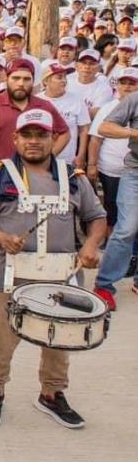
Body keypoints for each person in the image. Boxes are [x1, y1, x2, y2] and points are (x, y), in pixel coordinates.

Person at [0, 109, 106, 428]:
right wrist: (1, 237)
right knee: (1, 341)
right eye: (27, 135)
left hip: (63, 276)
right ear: (15, 138)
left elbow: (96, 217)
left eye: (41, 135)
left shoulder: (73, 177)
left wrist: (89, 246)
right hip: (12, 276)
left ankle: (52, 394)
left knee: (59, 341)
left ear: (53, 139)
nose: (33, 142)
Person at [0, 59, 70, 301]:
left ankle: (32, 277)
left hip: (31, 179)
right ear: (7, 78)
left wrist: (48, 158)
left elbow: (64, 133)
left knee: (27, 228)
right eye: (16, 78)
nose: (21, 83)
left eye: (26, 79)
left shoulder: (43, 106)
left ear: (33, 81)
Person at [92, 66, 138, 310]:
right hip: (135, 172)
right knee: (126, 228)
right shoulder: (134, 99)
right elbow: (105, 128)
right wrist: (134, 132)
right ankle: (104, 285)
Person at [37, 62, 89, 168]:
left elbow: (84, 129)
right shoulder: (36, 100)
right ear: (46, 81)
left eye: (65, 77)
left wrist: (81, 155)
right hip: (41, 159)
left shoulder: (76, 100)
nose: (64, 81)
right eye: (59, 77)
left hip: (68, 160)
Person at [66, 49, 114, 118]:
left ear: (99, 68)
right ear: (76, 65)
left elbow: (97, 112)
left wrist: (69, 115)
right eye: (83, 63)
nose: (87, 67)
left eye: (92, 63)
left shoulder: (105, 89)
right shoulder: (67, 81)